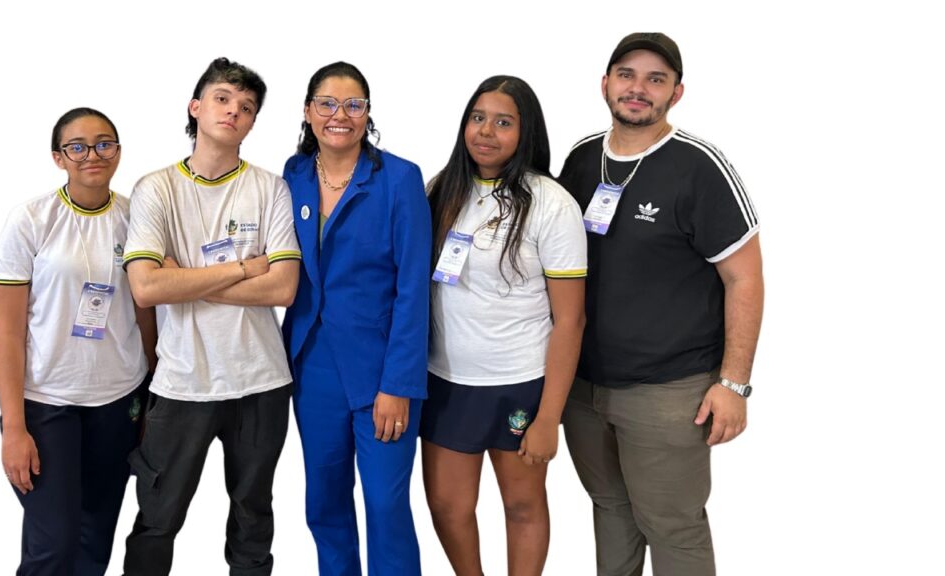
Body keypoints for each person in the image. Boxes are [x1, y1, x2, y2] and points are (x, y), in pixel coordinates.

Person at [558, 32, 764, 576]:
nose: (638, 89)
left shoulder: (698, 167)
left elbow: (745, 278)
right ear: (605, 83)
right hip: (583, 387)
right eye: (627, 75)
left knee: (672, 523)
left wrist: (734, 384)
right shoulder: (581, 159)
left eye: (656, 79)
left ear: (676, 93)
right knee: (610, 510)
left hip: (670, 392)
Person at [120, 57, 300, 576]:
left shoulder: (270, 188)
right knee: (158, 517)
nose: (233, 111)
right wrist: (244, 269)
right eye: (222, 99)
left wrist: (185, 279)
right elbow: (146, 287)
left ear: (252, 123)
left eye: (247, 107)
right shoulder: (157, 188)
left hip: (261, 382)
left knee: (253, 516)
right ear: (195, 108)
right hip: (183, 382)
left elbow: (283, 288)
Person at [422, 76, 587, 576]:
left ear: (525, 131)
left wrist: (548, 418)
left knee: (522, 505)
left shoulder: (550, 203)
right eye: (478, 118)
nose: (486, 131)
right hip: (446, 380)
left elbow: (571, 319)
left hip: (519, 382)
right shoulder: (440, 189)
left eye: (503, 122)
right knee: (448, 507)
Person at [281, 61, 432, 576]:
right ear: (308, 111)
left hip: (381, 371)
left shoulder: (400, 179)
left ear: (368, 113)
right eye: (327, 103)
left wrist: (398, 385)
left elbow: (414, 289)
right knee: (324, 503)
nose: (339, 115)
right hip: (312, 366)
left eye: (353, 105)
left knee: (386, 506)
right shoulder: (294, 175)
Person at [0, 107, 157, 576]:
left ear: (118, 152)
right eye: (77, 147)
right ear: (58, 157)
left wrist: (152, 397)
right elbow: (8, 333)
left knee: (94, 542)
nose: (93, 155)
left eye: (104, 144)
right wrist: (14, 427)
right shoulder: (31, 220)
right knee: (54, 545)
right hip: (47, 402)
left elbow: (147, 314)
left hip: (118, 401)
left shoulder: (136, 218)